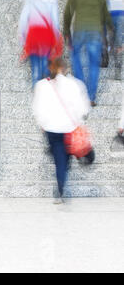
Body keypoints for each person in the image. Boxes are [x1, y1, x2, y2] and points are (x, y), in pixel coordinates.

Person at [33, 59, 91, 204]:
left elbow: (37, 108)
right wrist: (79, 121)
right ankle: (60, 185)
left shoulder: (42, 85)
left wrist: (42, 122)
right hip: (68, 129)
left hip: (51, 129)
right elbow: (83, 108)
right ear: (65, 68)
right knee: (63, 159)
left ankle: (60, 186)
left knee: (59, 157)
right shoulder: (75, 84)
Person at [63, 0, 114, 107]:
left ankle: (81, 94)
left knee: (74, 56)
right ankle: (91, 97)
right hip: (95, 31)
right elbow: (105, 13)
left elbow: (67, 12)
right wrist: (110, 27)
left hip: (80, 30)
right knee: (93, 63)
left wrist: (66, 31)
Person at [18, 0, 62, 88]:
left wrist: (22, 37)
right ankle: (46, 94)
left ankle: (37, 95)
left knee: (35, 70)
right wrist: (56, 38)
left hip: (33, 36)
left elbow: (23, 18)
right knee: (45, 67)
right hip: (46, 37)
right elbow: (55, 20)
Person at [98, 0, 123, 80]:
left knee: (102, 32)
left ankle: (104, 58)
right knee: (117, 40)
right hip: (120, 10)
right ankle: (118, 67)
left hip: (107, 8)